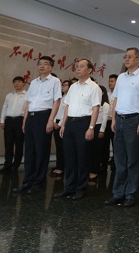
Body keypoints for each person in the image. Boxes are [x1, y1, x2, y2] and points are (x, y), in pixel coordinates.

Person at [105, 47, 139, 208]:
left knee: (133, 160)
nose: (127, 59)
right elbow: (116, 99)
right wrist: (113, 119)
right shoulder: (121, 77)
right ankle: (118, 193)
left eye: (130, 56)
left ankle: (130, 193)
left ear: (138, 59)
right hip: (120, 120)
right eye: (125, 56)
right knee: (119, 160)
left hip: (134, 120)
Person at [13, 56, 61, 194]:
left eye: (45, 64)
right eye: (40, 64)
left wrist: (51, 120)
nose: (42, 66)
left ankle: (38, 184)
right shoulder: (33, 82)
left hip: (44, 116)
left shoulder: (55, 81)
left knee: (41, 151)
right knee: (29, 151)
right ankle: (27, 182)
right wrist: (25, 120)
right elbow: (28, 103)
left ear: (51, 67)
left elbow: (56, 102)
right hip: (31, 118)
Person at [55, 59, 101, 200]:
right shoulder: (73, 87)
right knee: (69, 157)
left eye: (81, 66)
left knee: (82, 157)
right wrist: (63, 125)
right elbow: (67, 106)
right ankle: (69, 188)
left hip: (83, 123)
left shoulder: (94, 87)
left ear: (89, 70)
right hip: (70, 123)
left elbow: (95, 108)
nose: (78, 69)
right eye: (77, 66)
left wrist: (91, 127)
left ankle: (81, 189)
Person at [0, 76, 27, 174]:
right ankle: (7, 165)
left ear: (23, 83)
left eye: (19, 81)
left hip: (20, 120)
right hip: (9, 120)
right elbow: (4, 107)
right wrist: (2, 120)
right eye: (15, 82)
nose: (17, 83)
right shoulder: (9, 95)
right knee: (8, 144)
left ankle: (15, 166)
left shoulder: (27, 95)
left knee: (19, 144)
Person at [88, 85, 110, 183]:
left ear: (103, 93)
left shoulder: (105, 104)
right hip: (91, 126)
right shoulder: (93, 103)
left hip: (99, 126)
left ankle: (95, 169)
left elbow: (105, 118)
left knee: (97, 150)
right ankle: (89, 168)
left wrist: (102, 130)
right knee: (90, 149)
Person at [52, 79, 70, 177]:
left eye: (65, 85)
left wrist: (59, 124)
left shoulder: (69, 98)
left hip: (64, 123)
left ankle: (63, 167)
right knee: (58, 147)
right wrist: (54, 121)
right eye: (62, 85)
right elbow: (55, 110)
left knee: (64, 147)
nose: (63, 87)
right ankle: (59, 166)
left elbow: (66, 113)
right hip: (56, 123)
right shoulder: (60, 97)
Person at [102, 74, 117, 172]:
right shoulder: (106, 94)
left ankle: (115, 163)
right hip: (106, 122)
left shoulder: (119, 94)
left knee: (116, 144)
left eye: (112, 81)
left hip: (115, 121)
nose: (110, 83)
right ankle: (104, 163)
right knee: (104, 144)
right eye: (109, 81)